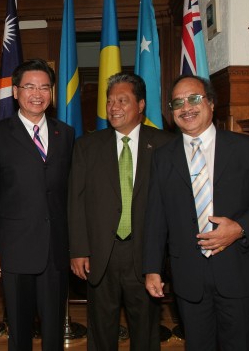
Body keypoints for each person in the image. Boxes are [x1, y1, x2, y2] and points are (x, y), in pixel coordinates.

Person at [143, 75, 249, 350]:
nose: (187, 108)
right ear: (172, 113)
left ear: (212, 103)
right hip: (188, 276)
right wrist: (152, 269)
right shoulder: (162, 157)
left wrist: (239, 228)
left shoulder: (245, 148)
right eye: (178, 103)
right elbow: (155, 218)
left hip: (238, 271)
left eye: (194, 99)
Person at [68, 72, 174, 350]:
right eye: (110, 100)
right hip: (101, 253)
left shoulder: (165, 144)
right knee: (101, 330)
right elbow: (75, 201)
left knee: (146, 329)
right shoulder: (87, 146)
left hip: (146, 255)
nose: (113, 107)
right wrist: (78, 249)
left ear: (140, 105)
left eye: (122, 100)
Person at [0, 58, 74, 351]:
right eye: (30, 87)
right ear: (15, 91)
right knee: (19, 329)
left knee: (53, 327)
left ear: (52, 92)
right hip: (15, 247)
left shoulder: (66, 133)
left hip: (56, 247)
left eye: (45, 87)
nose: (38, 94)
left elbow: (70, 192)